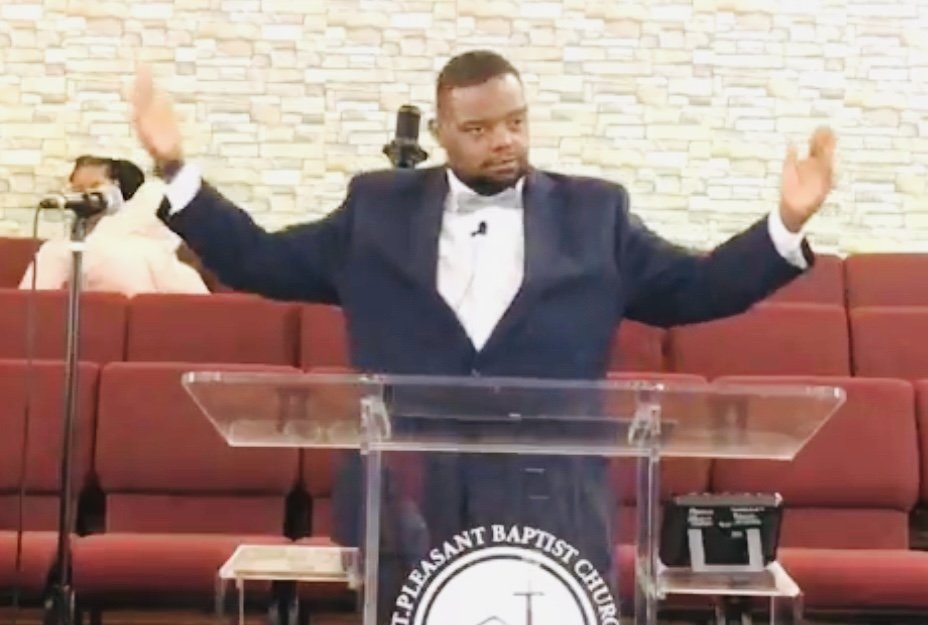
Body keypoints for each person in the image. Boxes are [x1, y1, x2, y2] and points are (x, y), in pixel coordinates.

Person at [129, 50, 835, 619]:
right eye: (479, 129)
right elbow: (259, 260)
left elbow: (695, 289)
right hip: (406, 500)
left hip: (555, 503)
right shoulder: (375, 211)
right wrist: (174, 169)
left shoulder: (596, 214)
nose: (505, 140)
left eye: (516, 122)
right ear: (440, 131)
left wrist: (786, 225)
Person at [19, 156, 210, 296]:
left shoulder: (148, 201)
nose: (86, 195)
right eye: (78, 189)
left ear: (117, 187)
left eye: (95, 185)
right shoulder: (62, 246)